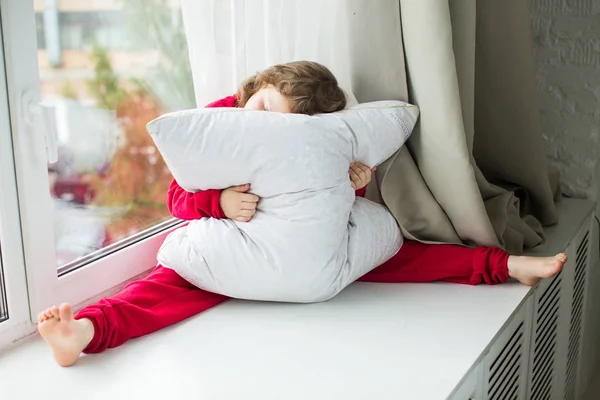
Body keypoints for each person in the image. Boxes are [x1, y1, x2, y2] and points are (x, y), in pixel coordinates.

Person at [37, 61, 567, 367]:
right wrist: (216, 202)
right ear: (256, 86)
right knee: (163, 287)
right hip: (235, 247)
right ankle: (85, 333)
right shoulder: (223, 120)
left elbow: (321, 202)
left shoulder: (314, 139)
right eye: (264, 108)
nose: (264, 121)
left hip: (306, 250)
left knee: (393, 253)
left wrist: (355, 187)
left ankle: (498, 267)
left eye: (283, 122)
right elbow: (176, 199)